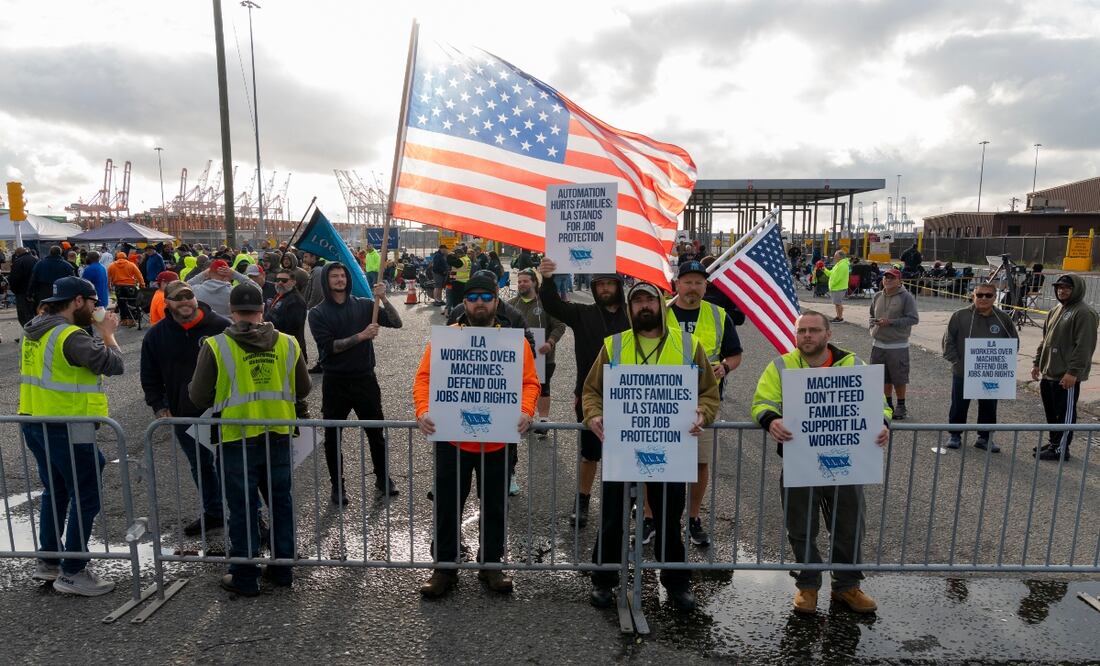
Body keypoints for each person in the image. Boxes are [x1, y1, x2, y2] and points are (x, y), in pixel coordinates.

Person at [582, 281, 720, 612]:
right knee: (613, 517)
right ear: (630, 309)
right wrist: (594, 414)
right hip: (622, 447)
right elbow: (591, 391)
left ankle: (676, 584)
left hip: (670, 450)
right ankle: (604, 580)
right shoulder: (614, 346)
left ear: (660, 304)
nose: (644, 306)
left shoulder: (689, 345)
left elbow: (709, 393)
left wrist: (703, 412)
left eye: (650, 300)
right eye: (637, 301)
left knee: (669, 519)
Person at [751, 310, 889, 615]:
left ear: (829, 335)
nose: (807, 336)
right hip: (800, 460)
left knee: (849, 525)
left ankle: (847, 586)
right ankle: (808, 586)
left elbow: (879, 403)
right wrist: (770, 420)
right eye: (802, 331)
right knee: (800, 527)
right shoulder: (781, 365)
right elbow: (762, 402)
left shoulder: (852, 364)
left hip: (848, 461)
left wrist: (882, 423)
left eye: (814, 330)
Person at [413, 272, 541, 598]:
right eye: (473, 298)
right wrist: (423, 410)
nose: (480, 303)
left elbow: (529, 382)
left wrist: (526, 410)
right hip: (452, 439)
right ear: (464, 303)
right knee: (447, 506)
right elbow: (425, 379)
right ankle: (444, 568)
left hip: (497, 440)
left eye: (486, 297)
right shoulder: (446, 338)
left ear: (496, 301)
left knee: (495, 506)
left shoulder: (513, 341)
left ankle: (491, 566)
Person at [189, 283, 311, 596]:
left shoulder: (217, 345)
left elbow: (198, 396)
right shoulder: (287, 343)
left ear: (232, 311)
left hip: (237, 437)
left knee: (242, 507)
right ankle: (282, 569)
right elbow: (304, 388)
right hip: (279, 433)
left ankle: (244, 575)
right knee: (281, 502)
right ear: (262, 310)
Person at [19, 277, 124, 595]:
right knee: (86, 493)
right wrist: (108, 334)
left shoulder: (34, 329)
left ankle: (50, 561)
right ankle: (73, 572)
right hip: (68, 424)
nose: (97, 309)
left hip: (35, 419)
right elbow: (115, 364)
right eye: (94, 303)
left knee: (57, 490)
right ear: (77, 302)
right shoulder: (69, 335)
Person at [538, 258, 629, 529]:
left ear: (619, 286)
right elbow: (553, 305)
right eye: (600, 284)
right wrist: (549, 279)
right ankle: (582, 499)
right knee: (590, 453)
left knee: (629, 450)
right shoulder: (583, 314)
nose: (605, 289)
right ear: (593, 287)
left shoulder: (633, 314)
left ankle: (637, 505)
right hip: (591, 396)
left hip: (629, 394)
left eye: (610, 283)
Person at [141, 280, 231, 535]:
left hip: (224, 411)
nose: (185, 302)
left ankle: (251, 516)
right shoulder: (157, 335)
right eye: (178, 298)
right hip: (184, 413)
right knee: (200, 465)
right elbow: (149, 375)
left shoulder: (222, 327)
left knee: (234, 464)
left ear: (196, 298)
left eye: (188, 296)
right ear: (167, 303)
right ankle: (214, 513)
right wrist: (158, 406)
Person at [308, 262, 402, 504]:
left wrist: (384, 298)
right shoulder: (318, 313)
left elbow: (396, 322)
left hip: (364, 380)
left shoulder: (364, 305)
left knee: (376, 433)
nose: (340, 279)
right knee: (332, 437)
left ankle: (383, 477)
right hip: (335, 382)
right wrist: (362, 336)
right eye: (334, 276)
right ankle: (337, 486)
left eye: (342, 276)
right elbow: (329, 347)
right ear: (326, 281)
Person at [668, 261, 742, 547]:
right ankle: (651, 517)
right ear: (677, 284)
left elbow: (735, 354)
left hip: (704, 401)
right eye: (687, 281)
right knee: (657, 461)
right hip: (664, 399)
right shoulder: (661, 311)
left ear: (706, 286)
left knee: (699, 463)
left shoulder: (718, 315)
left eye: (699, 282)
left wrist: (725, 366)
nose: (693, 287)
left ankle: (693, 518)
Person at [507, 269, 565, 493]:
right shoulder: (511, 304)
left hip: (544, 356)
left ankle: (543, 420)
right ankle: (524, 417)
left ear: (534, 282)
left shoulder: (546, 304)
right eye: (519, 281)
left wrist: (550, 342)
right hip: (519, 358)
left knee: (543, 387)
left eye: (525, 281)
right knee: (521, 390)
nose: (521, 284)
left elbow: (560, 326)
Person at [942, 282, 1019, 451]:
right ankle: (955, 434)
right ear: (973, 296)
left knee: (989, 406)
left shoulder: (1003, 318)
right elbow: (948, 341)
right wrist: (958, 362)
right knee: (958, 405)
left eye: (988, 295)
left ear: (995, 297)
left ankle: (984, 438)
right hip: (963, 372)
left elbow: (1013, 343)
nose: (983, 298)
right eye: (980, 295)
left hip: (990, 373)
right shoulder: (959, 316)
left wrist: (1003, 363)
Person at [1031, 274, 1099, 461]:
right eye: (1059, 287)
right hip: (1049, 372)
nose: (1062, 290)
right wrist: (1037, 362)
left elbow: (1084, 346)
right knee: (1052, 412)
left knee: (1065, 414)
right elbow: (1046, 340)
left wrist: (1073, 372)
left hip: (1065, 375)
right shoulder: (1056, 309)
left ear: (1076, 289)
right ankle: (1055, 443)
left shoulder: (1084, 313)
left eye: (1067, 287)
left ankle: (1061, 449)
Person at [868, 267, 919, 419]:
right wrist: (873, 327)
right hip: (878, 344)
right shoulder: (877, 296)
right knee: (882, 377)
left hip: (897, 345)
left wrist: (890, 322)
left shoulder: (906, 297)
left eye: (892, 278)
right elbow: (871, 314)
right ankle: (887, 404)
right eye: (886, 277)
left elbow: (913, 319)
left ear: (899, 281)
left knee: (899, 377)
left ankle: (901, 406)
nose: (888, 280)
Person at [266, 269, 309, 361]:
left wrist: (268, 321)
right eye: (278, 280)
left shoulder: (295, 301)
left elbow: (293, 329)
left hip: (290, 350)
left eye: (284, 280)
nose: (280, 283)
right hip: (278, 346)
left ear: (293, 282)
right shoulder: (280, 295)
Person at [30, 245, 77, 311]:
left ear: (50, 252)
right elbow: (73, 281)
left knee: (45, 313)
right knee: (59, 313)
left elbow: (33, 279)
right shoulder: (67, 265)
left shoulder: (40, 264)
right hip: (61, 294)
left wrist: (30, 293)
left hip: (43, 293)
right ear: (60, 253)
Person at [107, 250, 145, 327]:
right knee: (132, 303)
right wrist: (142, 285)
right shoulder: (131, 265)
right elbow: (139, 275)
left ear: (116, 258)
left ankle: (123, 320)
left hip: (118, 287)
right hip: (130, 287)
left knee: (121, 304)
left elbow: (108, 277)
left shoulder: (111, 265)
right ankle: (132, 320)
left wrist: (109, 286)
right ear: (126, 257)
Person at [9, 246, 39, 326]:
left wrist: (14, 290)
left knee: (24, 316)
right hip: (35, 292)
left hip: (22, 292)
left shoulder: (18, 261)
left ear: (17, 253)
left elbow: (14, 278)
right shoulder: (35, 260)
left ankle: (28, 335)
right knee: (35, 314)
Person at [822, 250, 849, 322]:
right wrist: (824, 269)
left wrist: (831, 285)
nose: (834, 257)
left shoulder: (842, 265)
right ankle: (838, 316)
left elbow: (838, 278)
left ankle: (840, 318)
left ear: (840, 257)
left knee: (838, 303)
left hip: (838, 287)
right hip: (837, 287)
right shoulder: (839, 264)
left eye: (835, 256)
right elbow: (831, 274)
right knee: (837, 303)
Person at [446, 246, 472, 314]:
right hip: (464, 281)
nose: (455, 256)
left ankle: (457, 313)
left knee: (456, 299)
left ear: (459, 254)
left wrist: (449, 255)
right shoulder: (467, 259)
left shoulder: (461, 261)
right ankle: (463, 312)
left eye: (456, 254)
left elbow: (450, 262)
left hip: (458, 282)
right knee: (461, 299)